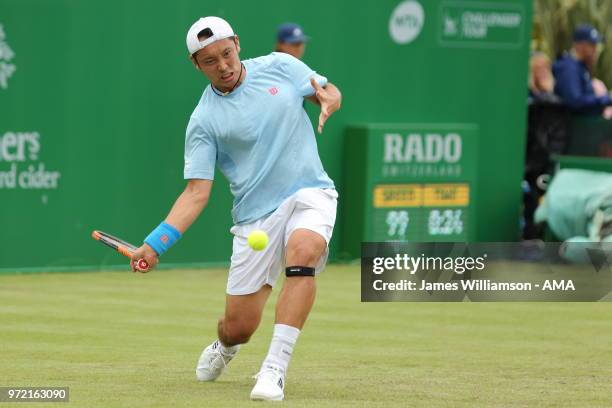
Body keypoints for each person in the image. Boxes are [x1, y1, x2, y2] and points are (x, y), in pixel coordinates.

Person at [130, 16, 342, 402]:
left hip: (311, 191)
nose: (223, 66)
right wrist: (155, 243)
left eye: (226, 54)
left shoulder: (281, 65)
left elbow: (326, 90)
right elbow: (196, 193)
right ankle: (225, 348)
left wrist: (329, 97)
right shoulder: (203, 120)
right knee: (238, 327)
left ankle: (274, 369)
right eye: (210, 61)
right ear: (196, 65)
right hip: (255, 218)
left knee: (305, 252)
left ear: (238, 44)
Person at [552, 24, 612, 114]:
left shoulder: (580, 66)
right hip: (571, 126)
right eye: (591, 45)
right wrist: (606, 99)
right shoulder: (569, 67)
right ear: (579, 45)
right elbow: (575, 102)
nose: (595, 50)